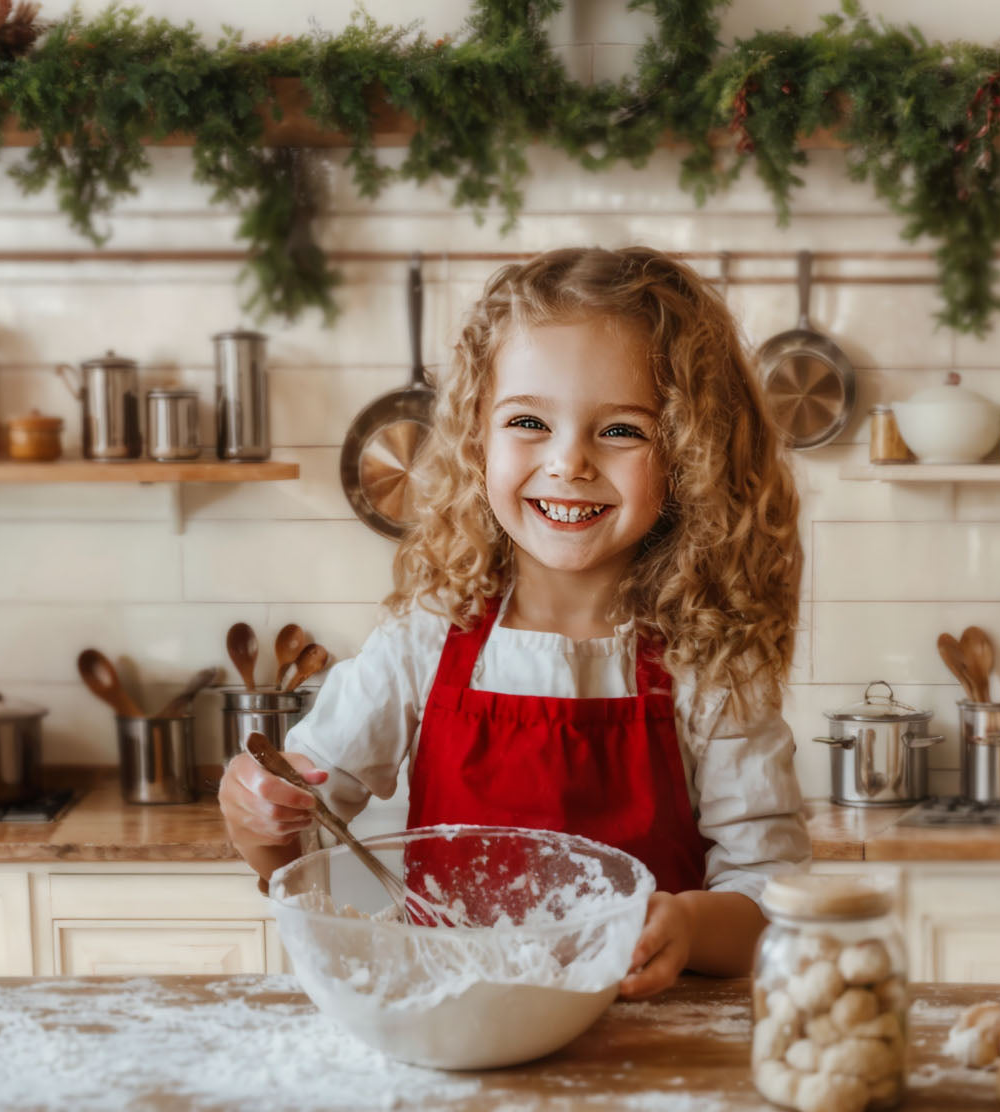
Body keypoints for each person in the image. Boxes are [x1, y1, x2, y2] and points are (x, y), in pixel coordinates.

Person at [219, 245, 811, 999]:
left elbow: (771, 903)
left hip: (651, 1048)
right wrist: (257, 820)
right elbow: (297, 841)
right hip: (458, 1036)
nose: (569, 463)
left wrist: (690, 925)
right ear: (477, 438)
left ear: (692, 452)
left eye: (622, 430)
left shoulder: (708, 664)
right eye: (529, 420)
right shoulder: (423, 641)